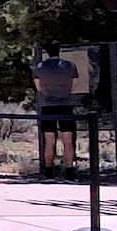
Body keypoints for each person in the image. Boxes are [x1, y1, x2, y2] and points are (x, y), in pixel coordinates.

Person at [34, 42, 79, 179]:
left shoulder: (40, 67)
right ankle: (69, 171)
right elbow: (73, 87)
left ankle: (48, 172)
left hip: (48, 106)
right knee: (68, 140)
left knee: (49, 140)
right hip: (65, 105)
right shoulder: (70, 66)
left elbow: (39, 88)